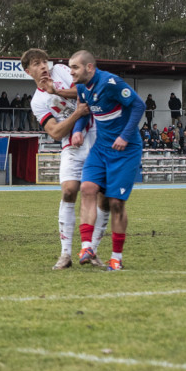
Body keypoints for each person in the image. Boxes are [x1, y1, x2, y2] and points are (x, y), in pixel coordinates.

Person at [21, 49, 109, 269]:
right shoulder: (37, 102)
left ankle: (93, 251)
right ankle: (66, 254)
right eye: (36, 64)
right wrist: (76, 114)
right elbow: (56, 132)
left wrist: (58, 91)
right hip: (72, 145)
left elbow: (84, 92)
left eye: (44, 61)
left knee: (104, 197)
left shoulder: (61, 70)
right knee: (69, 191)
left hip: (98, 136)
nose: (43, 66)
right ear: (27, 70)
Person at [70, 50, 146, 271]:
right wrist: (77, 130)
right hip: (101, 149)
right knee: (87, 188)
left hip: (126, 149)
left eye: (75, 67)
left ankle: (116, 257)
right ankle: (87, 247)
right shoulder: (82, 88)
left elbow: (138, 105)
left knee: (115, 203)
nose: (71, 71)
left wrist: (125, 136)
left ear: (89, 67)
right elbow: (84, 112)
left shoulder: (111, 82)